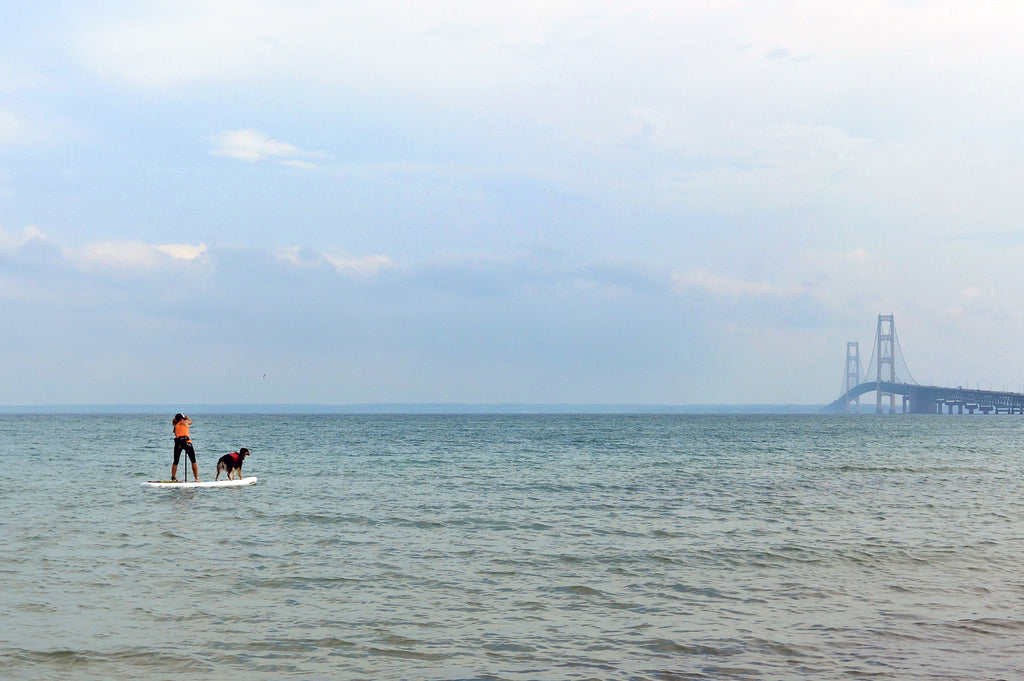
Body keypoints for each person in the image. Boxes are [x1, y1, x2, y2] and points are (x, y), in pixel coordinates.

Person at [171, 413, 200, 482]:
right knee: (193, 460)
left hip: (178, 443)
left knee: (176, 461)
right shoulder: (183, 422)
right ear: (181, 418)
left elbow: (176, 435)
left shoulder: (176, 426)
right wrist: (187, 418)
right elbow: (190, 422)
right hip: (187, 442)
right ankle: (196, 478)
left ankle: (173, 477)